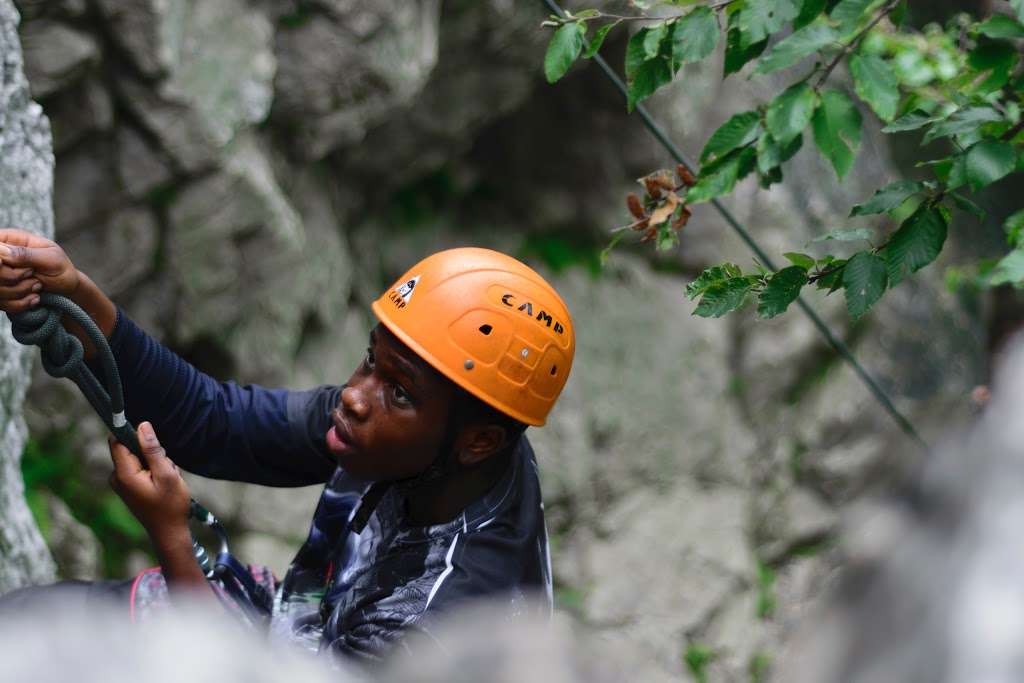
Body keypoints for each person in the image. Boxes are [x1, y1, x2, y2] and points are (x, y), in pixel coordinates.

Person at [0, 228, 575, 662]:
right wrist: (79, 302)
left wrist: (172, 537)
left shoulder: (440, 625)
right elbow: (215, 422)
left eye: (398, 392)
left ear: (477, 442)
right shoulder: (427, 441)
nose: (353, 396)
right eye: (370, 360)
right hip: (300, 631)